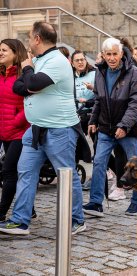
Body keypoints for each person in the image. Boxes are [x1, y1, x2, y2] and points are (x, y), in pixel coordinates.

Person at [0, 21, 90, 235]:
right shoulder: (40, 60)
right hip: (36, 129)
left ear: (37, 39)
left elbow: (31, 84)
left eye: (30, 37)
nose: (28, 41)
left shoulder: (56, 61)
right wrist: (30, 77)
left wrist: (28, 70)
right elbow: (20, 86)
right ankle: (21, 221)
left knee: (67, 175)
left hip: (59, 129)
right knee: (26, 171)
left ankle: (77, 220)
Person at [83, 37, 137, 217]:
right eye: (108, 54)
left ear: (121, 53)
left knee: (135, 166)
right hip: (106, 128)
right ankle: (96, 202)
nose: (111, 58)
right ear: (103, 55)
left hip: (128, 129)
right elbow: (98, 99)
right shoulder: (100, 72)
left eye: (114, 54)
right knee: (99, 162)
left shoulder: (134, 73)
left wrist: (124, 125)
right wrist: (93, 120)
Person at [0, 39, 31, 222]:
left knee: (9, 171)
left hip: (20, 131)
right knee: (15, 172)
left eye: (4, 50)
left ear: (15, 52)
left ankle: (1, 213)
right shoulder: (0, 74)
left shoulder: (23, 76)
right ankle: (30, 208)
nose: (0, 53)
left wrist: (15, 120)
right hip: (4, 131)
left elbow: (30, 103)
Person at [71, 50, 96, 135]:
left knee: (97, 145)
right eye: (77, 60)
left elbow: (103, 93)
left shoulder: (95, 74)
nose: (80, 62)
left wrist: (93, 88)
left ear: (86, 60)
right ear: (72, 63)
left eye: (82, 59)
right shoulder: (69, 77)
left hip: (92, 115)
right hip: (76, 117)